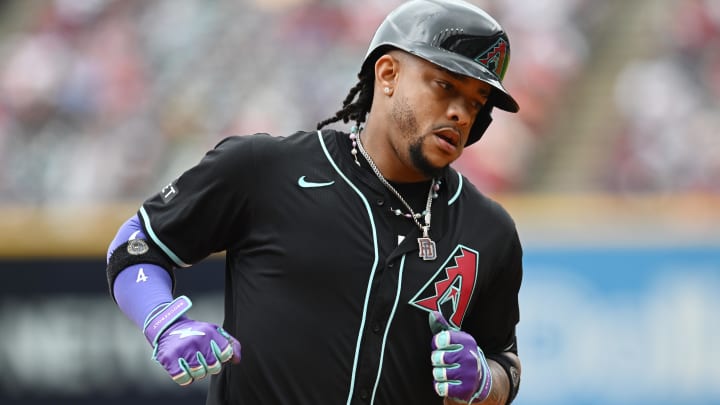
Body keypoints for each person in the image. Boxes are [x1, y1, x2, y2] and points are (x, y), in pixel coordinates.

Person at [105, 0, 523, 404]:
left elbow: (506, 362)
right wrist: (164, 321)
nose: (461, 114)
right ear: (388, 73)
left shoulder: (490, 232)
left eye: (476, 101)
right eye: (445, 85)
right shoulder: (265, 169)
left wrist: (488, 383)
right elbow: (136, 244)